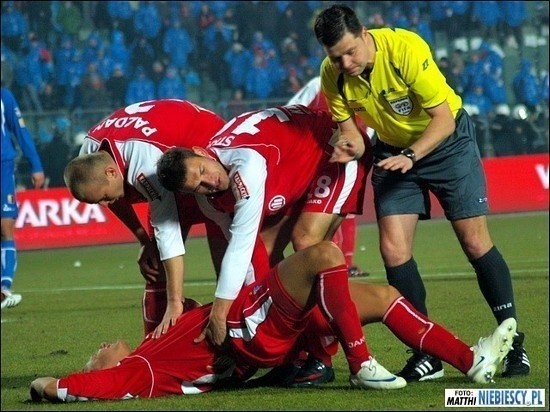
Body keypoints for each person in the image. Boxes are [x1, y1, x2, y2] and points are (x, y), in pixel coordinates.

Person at [312, 4, 530, 381]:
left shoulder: (406, 50)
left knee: (474, 241)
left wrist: (412, 156)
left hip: (447, 145)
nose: (345, 63)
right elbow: (353, 137)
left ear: (365, 34)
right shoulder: (332, 77)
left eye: (351, 51)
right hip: (394, 153)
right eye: (336, 56)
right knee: (393, 250)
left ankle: (514, 344)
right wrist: (346, 147)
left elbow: (443, 120)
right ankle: (426, 352)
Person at [29, 241, 517, 402]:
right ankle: (361, 363)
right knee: (323, 254)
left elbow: (171, 308)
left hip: (260, 333)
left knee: (384, 295)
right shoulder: (142, 369)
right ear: (104, 366)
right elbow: (93, 385)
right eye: (99, 351)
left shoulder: (153, 349)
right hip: (249, 330)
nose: (103, 343)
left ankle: (471, 364)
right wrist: (46, 384)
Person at [156, 104, 371, 350]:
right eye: (199, 187)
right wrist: (255, 313)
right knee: (267, 256)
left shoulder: (247, 164)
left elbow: (241, 246)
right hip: (296, 167)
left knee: (306, 243)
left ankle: (335, 350)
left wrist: (220, 312)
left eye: (203, 171)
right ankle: (299, 344)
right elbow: (250, 254)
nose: (210, 182)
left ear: (201, 152)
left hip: (334, 148)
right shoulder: (209, 201)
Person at [63, 99, 228, 337]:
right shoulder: (89, 157)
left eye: (105, 197)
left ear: (111, 173)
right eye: (96, 201)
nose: (104, 205)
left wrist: (175, 302)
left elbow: (167, 231)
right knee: (154, 266)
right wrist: (143, 240)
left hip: (205, 159)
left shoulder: (146, 164)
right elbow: (115, 199)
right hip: (170, 162)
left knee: (225, 263)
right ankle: (153, 347)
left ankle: (236, 341)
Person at [287, 76, 370, 277]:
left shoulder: (368, 87)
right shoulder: (319, 83)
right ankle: (324, 265)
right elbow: (291, 109)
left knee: (344, 210)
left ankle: (344, 264)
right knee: (317, 213)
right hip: (314, 156)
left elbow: (373, 123)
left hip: (351, 155)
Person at [1, 86, 45, 309]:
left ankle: (3, 288)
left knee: (5, 226)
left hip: (2, 167)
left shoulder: (4, 95)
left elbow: (20, 131)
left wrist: (36, 165)